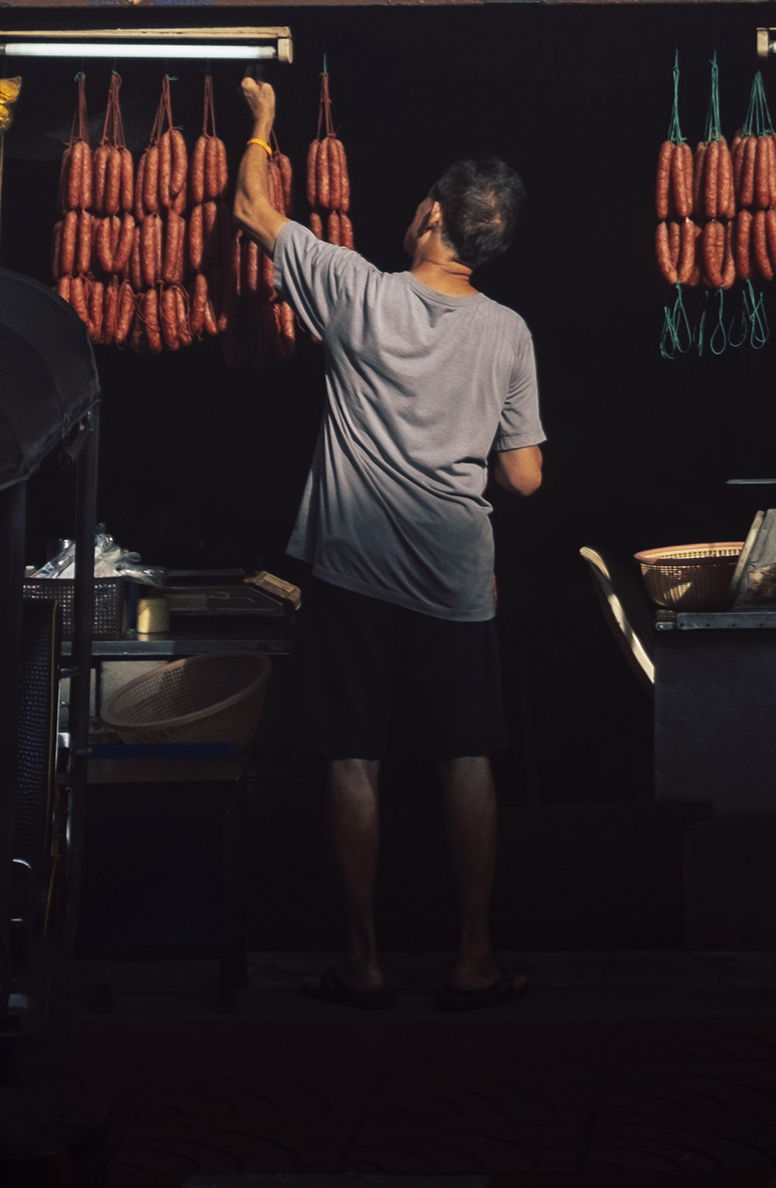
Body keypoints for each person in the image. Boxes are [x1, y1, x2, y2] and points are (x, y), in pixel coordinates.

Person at [232, 74, 544, 1013]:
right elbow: (525, 477)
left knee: (353, 758)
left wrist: (263, 124)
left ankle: (363, 964)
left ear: (429, 217)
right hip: (457, 578)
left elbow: (254, 208)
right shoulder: (510, 331)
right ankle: (474, 958)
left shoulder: (357, 292)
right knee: (466, 757)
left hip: (354, 573)